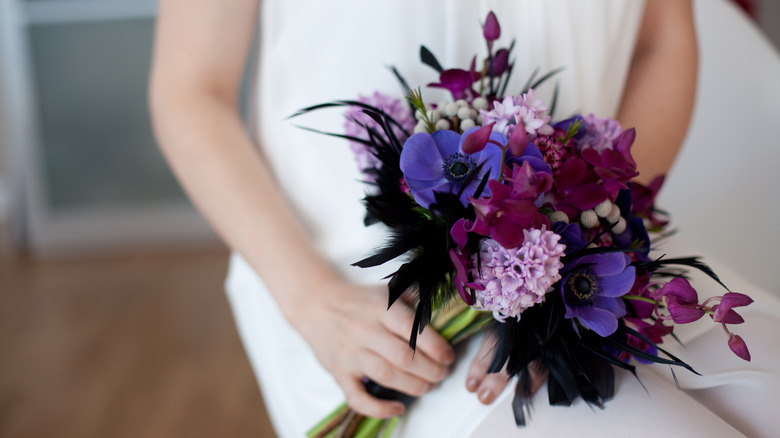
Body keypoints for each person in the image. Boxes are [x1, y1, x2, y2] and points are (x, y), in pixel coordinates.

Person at [149, 1, 779, 436]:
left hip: (577, 257)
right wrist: (312, 300)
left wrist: (590, 220)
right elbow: (190, 87)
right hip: (363, 300)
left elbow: (661, 39)